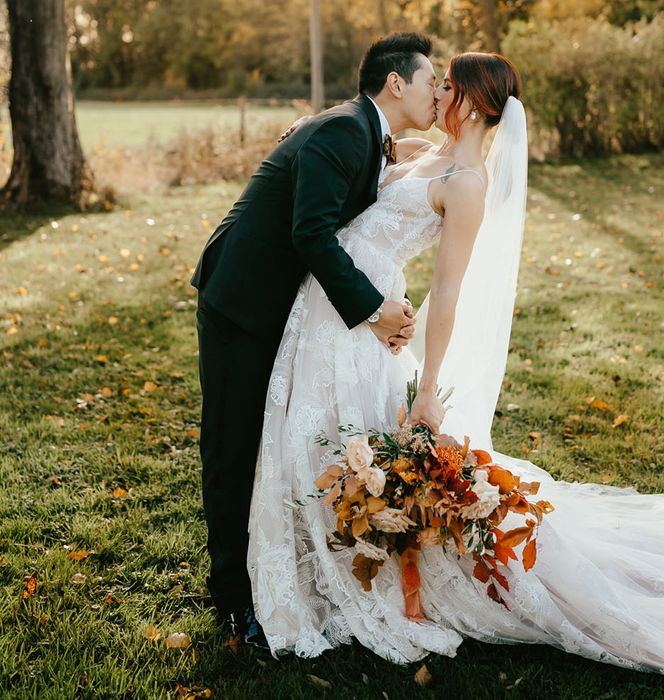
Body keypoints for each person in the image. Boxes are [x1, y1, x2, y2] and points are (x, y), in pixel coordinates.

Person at [246, 50, 664, 700]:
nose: (434, 94)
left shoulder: (467, 181)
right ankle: (315, 555)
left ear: (468, 101)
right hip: (342, 310)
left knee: (346, 436)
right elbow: (367, 146)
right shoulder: (429, 151)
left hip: (367, 320)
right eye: (432, 84)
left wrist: (428, 386)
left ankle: (360, 576)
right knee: (321, 430)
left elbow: (448, 289)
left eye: (445, 87)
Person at [191, 32, 438, 646]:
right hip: (242, 300)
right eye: (432, 80)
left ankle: (280, 570)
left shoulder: (361, 131)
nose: (438, 91)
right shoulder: (342, 130)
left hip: (284, 306)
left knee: (272, 436)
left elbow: (367, 178)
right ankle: (230, 599)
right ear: (397, 84)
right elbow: (311, 234)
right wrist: (373, 311)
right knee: (233, 443)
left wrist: (403, 153)